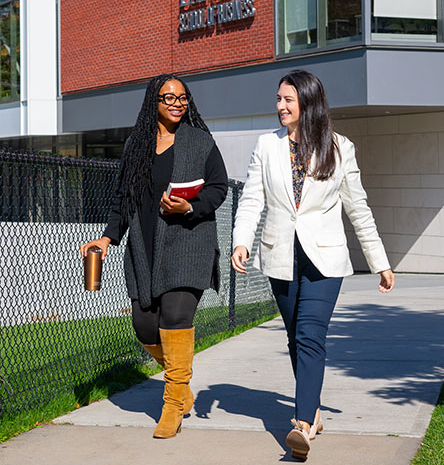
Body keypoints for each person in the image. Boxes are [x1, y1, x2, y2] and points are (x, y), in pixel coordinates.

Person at [231, 69, 394, 460]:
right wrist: (241, 241)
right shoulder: (266, 145)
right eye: (278, 99)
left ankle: (302, 424)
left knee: (309, 335)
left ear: (308, 103)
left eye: (288, 99)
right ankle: (314, 410)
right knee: (295, 337)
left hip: (325, 258)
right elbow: (252, 198)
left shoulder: (339, 147)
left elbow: (358, 207)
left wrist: (380, 261)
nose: (280, 106)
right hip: (280, 255)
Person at [80, 73, 228, 439]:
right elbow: (122, 197)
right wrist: (107, 237)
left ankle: (172, 404)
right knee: (145, 326)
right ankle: (181, 383)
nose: (178, 104)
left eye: (183, 98)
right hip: (144, 248)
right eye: (169, 98)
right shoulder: (136, 144)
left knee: (175, 316)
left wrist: (190, 206)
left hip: (188, 243)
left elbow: (218, 187)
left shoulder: (200, 141)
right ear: (154, 102)